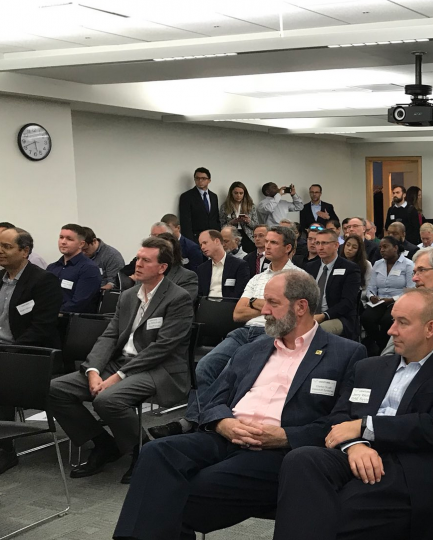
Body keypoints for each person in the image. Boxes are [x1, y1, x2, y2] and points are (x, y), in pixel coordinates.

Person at [113, 271, 364, 540]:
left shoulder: (345, 354)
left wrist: (285, 436)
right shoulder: (254, 348)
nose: (264, 310)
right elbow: (212, 397)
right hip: (225, 436)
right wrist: (224, 422)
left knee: (178, 491)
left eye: (272, 303)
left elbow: (343, 420)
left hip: (276, 452)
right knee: (154, 453)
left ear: (301, 306)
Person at [273, 289, 433, 540]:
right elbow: (339, 417)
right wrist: (355, 445)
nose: (391, 330)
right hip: (356, 454)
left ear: (429, 329)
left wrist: (365, 426)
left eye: (402, 323)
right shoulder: (369, 367)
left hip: (409, 467)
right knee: (301, 460)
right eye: (393, 320)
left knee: (330, 513)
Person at [48, 237, 194, 483]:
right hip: (121, 363)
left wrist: (116, 377)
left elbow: (163, 348)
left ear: (162, 268)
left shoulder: (178, 298)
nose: (137, 264)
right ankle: (105, 444)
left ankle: (143, 450)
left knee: (108, 399)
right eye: (138, 258)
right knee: (56, 390)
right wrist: (93, 370)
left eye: (146, 260)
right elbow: (109, 336)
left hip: (159, 369)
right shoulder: (128, 296)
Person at [152, 227, 302, 440]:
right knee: (204, 367)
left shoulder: (298, 277)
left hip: (272, 334)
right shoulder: (258, 278)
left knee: (229, 370)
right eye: (266, 241)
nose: (266, 246)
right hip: (244, 330)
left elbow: (286, 314)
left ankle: (198, 422)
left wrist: (254, 303)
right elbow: (238, 313)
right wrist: (268, 304)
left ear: (288, 248)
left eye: (273, 243)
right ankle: (200, 419)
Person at [0, 227, 62, 474]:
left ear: (25, 251)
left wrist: (11, 352)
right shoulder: (0, 278)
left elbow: (42, 327)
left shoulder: (42, 280)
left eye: (7, 247)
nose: (0, 251)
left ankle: (5, 451)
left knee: (2, 377)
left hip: (31, 352)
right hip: (4, 349)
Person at [301, 229, 362, 338]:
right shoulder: (310, 267)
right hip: (311, 315)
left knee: (318, 331)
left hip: (339, 317)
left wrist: (324, 316)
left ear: (336, 245)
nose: (320, 247)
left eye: (324, 243)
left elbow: (348, 302)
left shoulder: (350, 269)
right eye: (317, 243)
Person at [361, 236, 415, 354]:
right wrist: (371, 296)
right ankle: (381, 345)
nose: (382, 250)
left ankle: (386, 347)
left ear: (395, 248)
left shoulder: (408, 264)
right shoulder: (378, 264)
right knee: (366, 318)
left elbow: (411, 289)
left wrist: (392, 299)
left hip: (398, 300)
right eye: (380, 247)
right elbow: (371, 286)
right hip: (379, 300)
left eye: (385, 247)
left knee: (387, 320)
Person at [46, 223, 102, 313]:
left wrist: (52, 312)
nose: (63, 242)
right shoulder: (52, 267)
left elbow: (79, 303)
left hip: (72, 321)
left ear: (81, 244)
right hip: (50, 318)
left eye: (69, 239)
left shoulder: (89, 269)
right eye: (61, 237)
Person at [196, 230, 251, 298]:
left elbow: (240, 293)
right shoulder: (202, 269)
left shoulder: (239, 265)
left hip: (229, 305)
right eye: (201, 244)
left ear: (217, 241)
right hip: (207, 305)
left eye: (205, 243)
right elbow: (200, 295)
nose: (202, 247)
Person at [178, 167, 221, 241]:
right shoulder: (187, 196)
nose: (200, 181)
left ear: (209, 180)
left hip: (212, 237)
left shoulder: (214, 196)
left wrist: (218, 235)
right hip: (196, 237)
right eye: (197, 178)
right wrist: (189, 242)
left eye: (203, 178)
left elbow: (215, 218)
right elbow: (185, 221)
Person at [154, 233, 200, 301]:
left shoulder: (187, 277)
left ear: (174, 254)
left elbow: (182, 303)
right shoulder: (145, 274)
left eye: (166, 251)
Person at [220, 181, 260, 255]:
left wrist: (248, 221)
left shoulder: (250, 206)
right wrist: (232, 222)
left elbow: (256, 226)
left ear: (244, 194)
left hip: (248, 236)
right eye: (236, 193)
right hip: (233, 235)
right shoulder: (225, 207)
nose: (238, 195)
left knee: (250, 257)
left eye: (241, 193)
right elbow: (222, 226)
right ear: (231, 193)